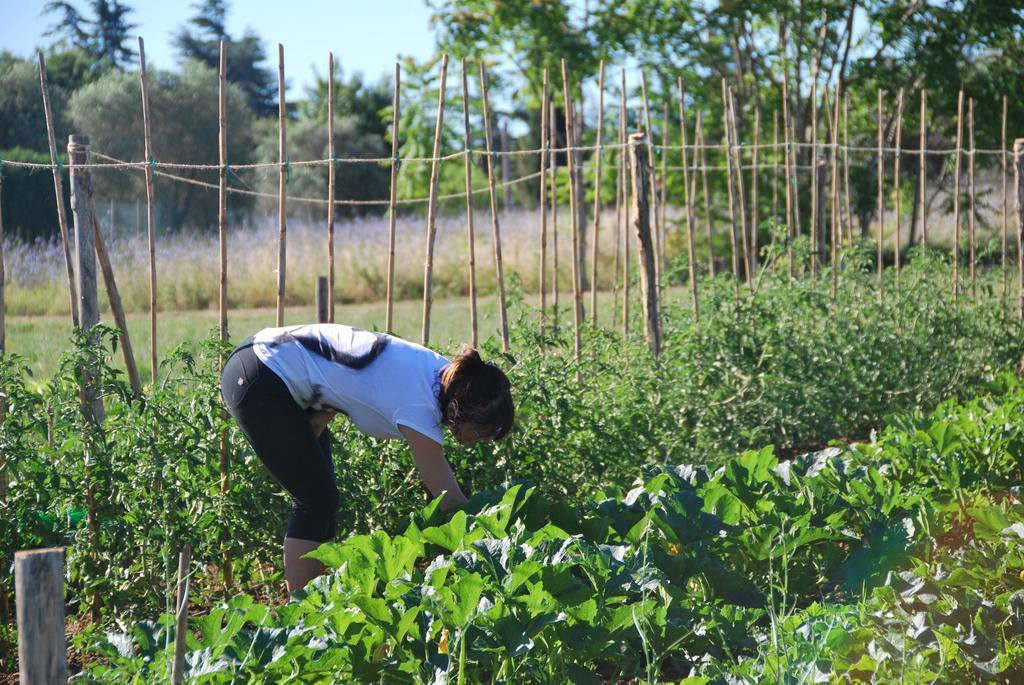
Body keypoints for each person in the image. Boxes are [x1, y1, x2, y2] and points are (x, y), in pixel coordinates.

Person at [219, 323, 514, 593]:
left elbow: (355, 378)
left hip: (273, 366)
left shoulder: (448, 377)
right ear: (458, 412)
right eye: (484, 432)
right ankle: (301, 617)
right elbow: (449, 501)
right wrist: (496, 547)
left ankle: (320, 602)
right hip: (262, 374)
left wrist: (317, 419)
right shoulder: (419, 404)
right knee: (315, 501)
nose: (484, 441)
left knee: (323, 502)